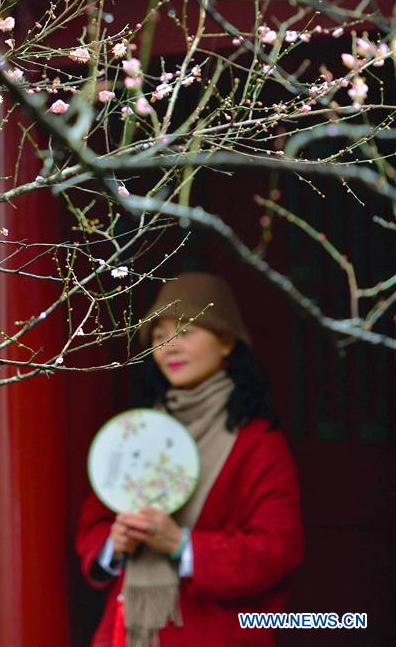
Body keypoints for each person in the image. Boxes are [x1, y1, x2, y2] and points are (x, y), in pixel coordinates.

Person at [76, 272, 304, 647]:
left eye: (185, 331)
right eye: (160, 334)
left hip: (216, 632)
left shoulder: (258, 442)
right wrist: (113, 544)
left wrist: (182, 545)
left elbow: (277, 550)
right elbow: (95, 523)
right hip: (128, 630)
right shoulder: (136, 432)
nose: (169, 347)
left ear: (227, 341)